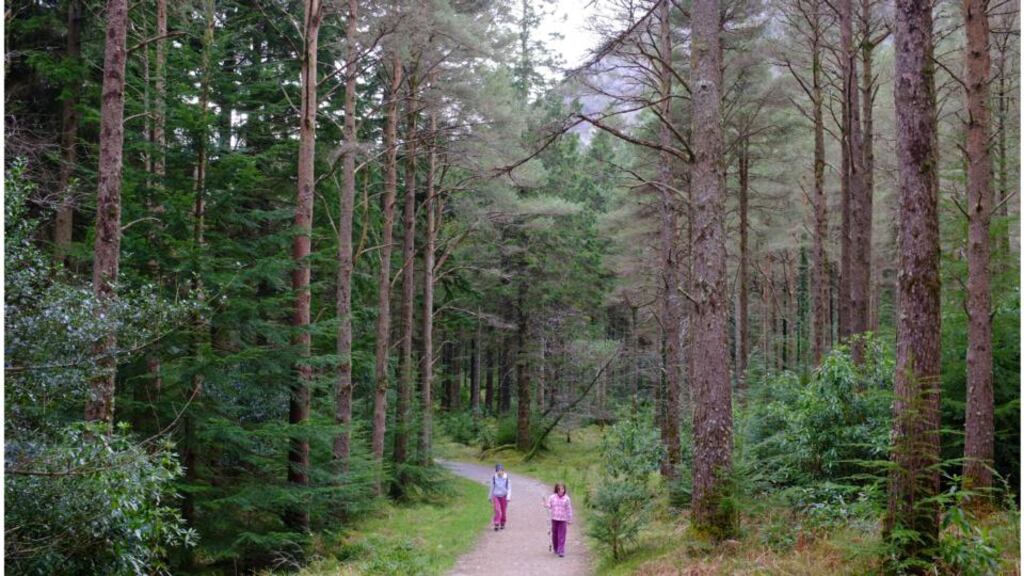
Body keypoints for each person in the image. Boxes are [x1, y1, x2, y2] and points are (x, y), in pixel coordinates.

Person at [544, 483, 573, 557]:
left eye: (562, 489)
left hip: (563, 519)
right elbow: (549, 505)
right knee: (555, 534)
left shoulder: (567, 499)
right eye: (559, 489)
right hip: (554, 518)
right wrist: (545, 504)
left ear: (564, 489)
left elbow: (569, 509)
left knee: (562, 535)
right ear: (556, 489)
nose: (561, 491)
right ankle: (556, 548)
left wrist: (569, 519)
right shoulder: (552, 497)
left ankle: (561, 550)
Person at [488, 463, 511, 531]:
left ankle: (502, 522)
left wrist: (508, 497)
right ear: (496, 471)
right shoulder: (494, 478)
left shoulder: (506, 478)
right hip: (496, 496)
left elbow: (509, 488)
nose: (499, 472)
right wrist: (489, 497)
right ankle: (496, 523)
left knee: (503, 511)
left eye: (501, 470)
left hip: (504, 496)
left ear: (503, 471)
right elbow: (492, 487)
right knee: (497, 510)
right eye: (498, 471)